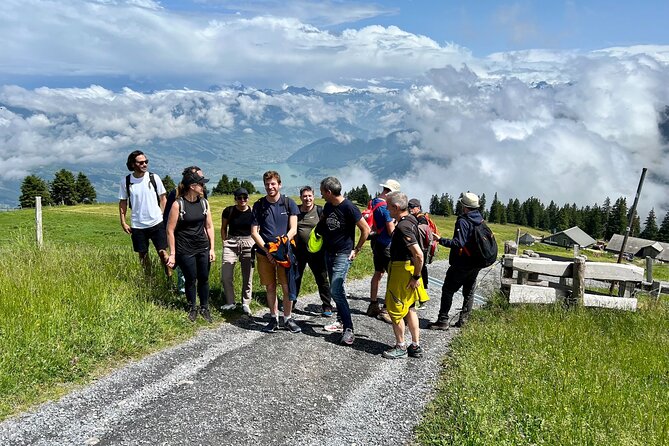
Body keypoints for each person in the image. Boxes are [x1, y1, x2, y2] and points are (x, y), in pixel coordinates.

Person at [318, 176, 370, 345]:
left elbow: (366, 229)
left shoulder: (349, 207)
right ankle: (340, 321)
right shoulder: (328, 206)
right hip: (329, 252)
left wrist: (357, 250)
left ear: (329, 192)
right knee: (338, 289)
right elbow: (322, 223)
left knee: (336, 289)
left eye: (322, 192)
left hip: (343, 253)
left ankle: (349, 329)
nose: (321, 195)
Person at [251, 171, 301, 334]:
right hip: (264, 253)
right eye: (267, 184)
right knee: (270, 286)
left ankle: (287, 318)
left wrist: (281, 246)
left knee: (286, 287)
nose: (270, 187)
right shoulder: (259, 205)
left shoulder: (288, 203)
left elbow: (293, 228)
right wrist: (268, 250)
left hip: (284, 253)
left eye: (273, 184)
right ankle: (274, 318)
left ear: (279, 184)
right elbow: (254, 232)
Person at [382, 192, 429, 359]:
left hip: (402, 270)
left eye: (388, 206)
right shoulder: (412, 220)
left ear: (395, 207)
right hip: (409, 269)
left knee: (395, 310)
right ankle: (415, 346)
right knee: (410, 308)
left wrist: (415, 277)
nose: (387, 209)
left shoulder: (403, 226)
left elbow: (418, 255)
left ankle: (400, 346)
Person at [428, 192, 483, 330]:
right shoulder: (480, 219)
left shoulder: (463, 221)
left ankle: (443, 320)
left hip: (462, 263)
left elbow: (458, 243)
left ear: (464, 206)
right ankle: (464, 321)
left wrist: (440, 240)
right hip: (476, 263)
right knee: (469, 291)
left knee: (448, 289)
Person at [165, 171, 216, 323]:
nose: (203, 186)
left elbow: (209, 226)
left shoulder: (203, 202)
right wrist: (173, 254)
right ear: (192, 186)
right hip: (185, 248)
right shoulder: (178, 204)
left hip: (202, 247)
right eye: (201, 184)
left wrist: (212, 248)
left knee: (204, 278)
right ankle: (192, 307)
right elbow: (170, 230)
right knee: (190, 279)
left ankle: (204, 307)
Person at [118, 150, 168, 275]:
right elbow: (123, 202)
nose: (144, 164)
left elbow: (163, 199)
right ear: (133, 164)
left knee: (163, 253)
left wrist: (165, 217)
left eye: (146, 162)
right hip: (137, 225)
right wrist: (123, 222)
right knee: (143, 256)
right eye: (141, 163)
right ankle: (148, 281)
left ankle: (169, 279)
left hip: (157, 222)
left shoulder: (153, 178)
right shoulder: (126, 181)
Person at [163, 165, 206, 293]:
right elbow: (168, 218)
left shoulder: (202, 193)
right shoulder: (175, 195)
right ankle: (184, 291)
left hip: (198, 237)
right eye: (199, 177)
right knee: (185, 269)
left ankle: (195, 291)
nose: (202, 179)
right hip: (182, 238)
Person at [294, 186, 334, 317]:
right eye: (304, 196)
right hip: (298, 252)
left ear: (313, 196)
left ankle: (327, 306)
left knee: (322, 279)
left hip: (317, 253)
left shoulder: (320, 211)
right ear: (301, 197)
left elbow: (328, 230)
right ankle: (291, 303)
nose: (307, 199)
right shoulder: (296, 212)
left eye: (309, 196)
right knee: (295, 278)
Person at [367, 179, 400, 324]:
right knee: (392, 277)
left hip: (376, 243)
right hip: (387, 245)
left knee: (378, 273)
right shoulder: (386, 208)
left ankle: (373, 305)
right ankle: (386, 310)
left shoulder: (373, 202)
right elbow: (391, 230)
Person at [220, 187, 254, 315]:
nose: (242, 200)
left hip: (248, 242)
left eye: (244, 197)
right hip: (231, 242)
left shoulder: (253, 212)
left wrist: (254, 243)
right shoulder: (228, 211)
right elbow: (223, 228)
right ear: (235, 199)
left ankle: (246, 303)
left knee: (248, 275)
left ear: (248, 198)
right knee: (226, 276)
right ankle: (230, 302)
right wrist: (225, 242)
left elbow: (257, 229)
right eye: (239, 198)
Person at [408, 198, 430, 289]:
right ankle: (423, 287)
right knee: (421, 266)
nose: (410, 209)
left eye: (413, 207)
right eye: (409, 207)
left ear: (419, 208)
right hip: (421, 246)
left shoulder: (422, 219)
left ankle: (422, 287)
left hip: (421, 247)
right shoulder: (417, 218)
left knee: (420, 266)